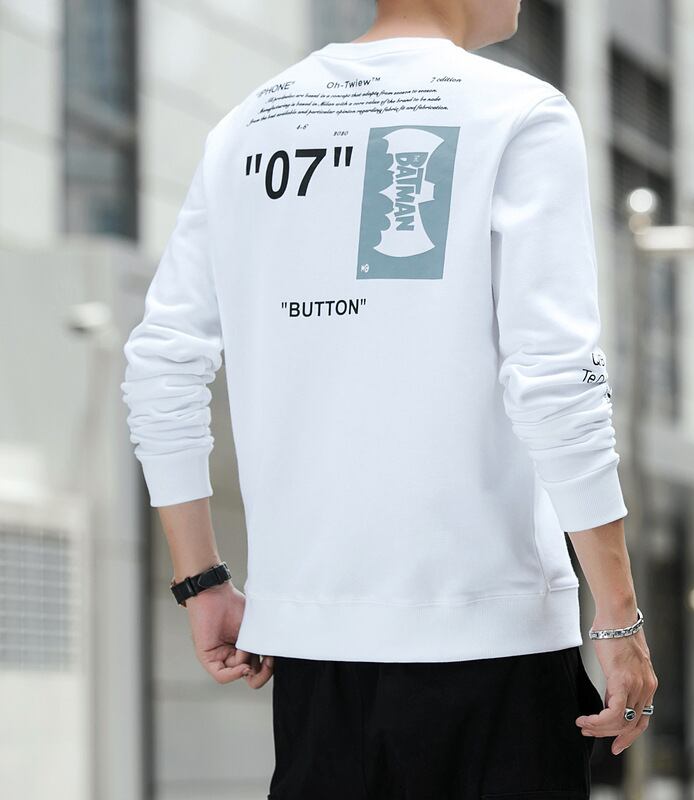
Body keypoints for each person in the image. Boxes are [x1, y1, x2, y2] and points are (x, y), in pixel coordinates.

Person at [120, 0, 658, 797]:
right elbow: (554, 375)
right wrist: (617, 614)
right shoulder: (516, 113)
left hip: (312, 657)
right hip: (490, 644)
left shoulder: (248, 127)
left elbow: (161, 361)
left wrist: (201, 582)